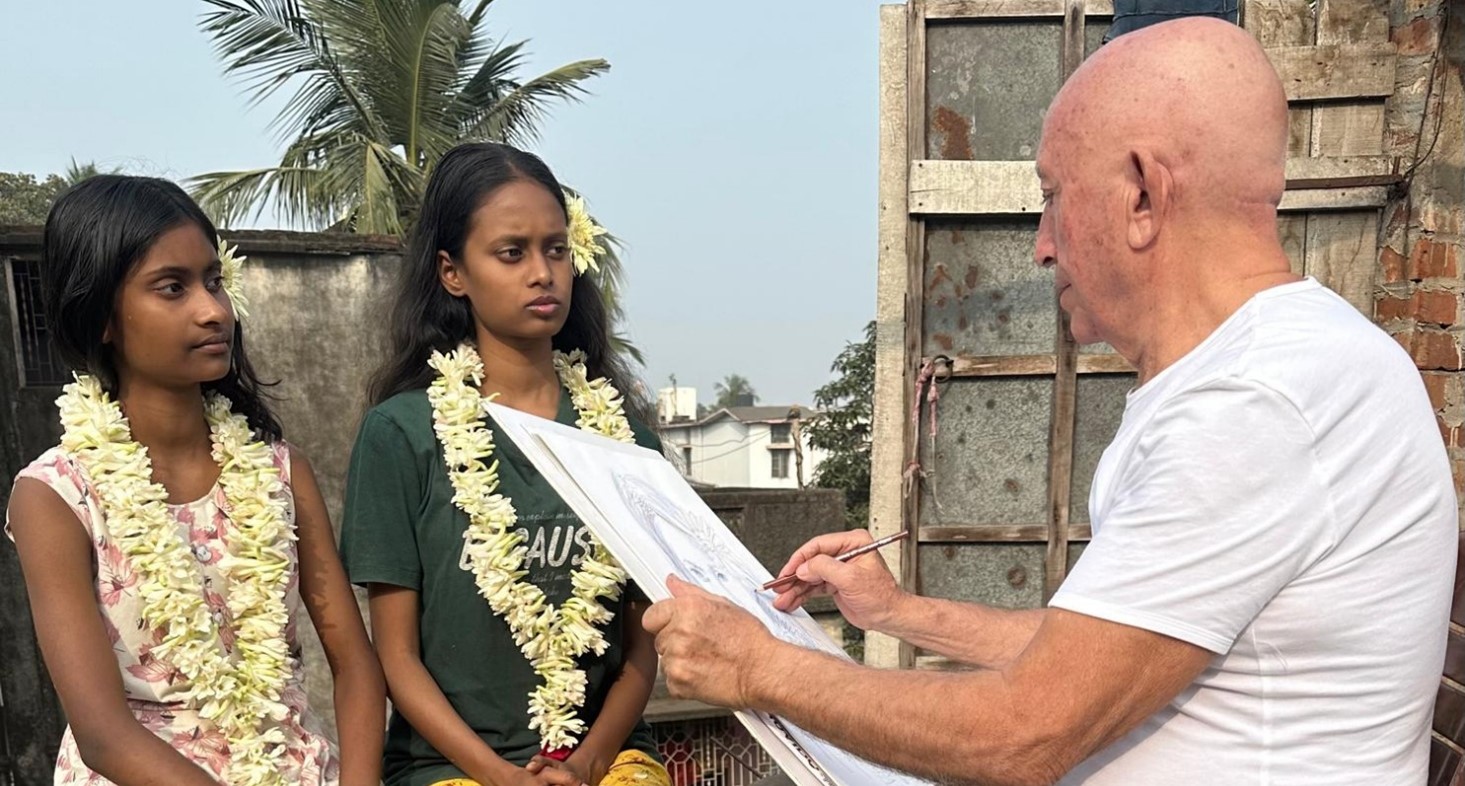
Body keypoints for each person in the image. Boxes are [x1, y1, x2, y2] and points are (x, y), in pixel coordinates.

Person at [643, 17, 1459, 785]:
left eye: (1053, 195)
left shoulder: (1255, 401)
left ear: (1142, 196)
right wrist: (898, 613)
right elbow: (1104, 653)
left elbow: (1024, 731)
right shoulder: (1276, 369)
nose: (1040, 244)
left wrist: (756, 666)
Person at [5, 175, 385, 786]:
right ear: (101, 317)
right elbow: (103, 734)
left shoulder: (280, 470)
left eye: (213, 281)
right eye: (172, 288)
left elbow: (356, 666)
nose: (214, 310)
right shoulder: (55, 495)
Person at [341, 142, 670, 786]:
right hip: (448, 768)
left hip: (609, 763)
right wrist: (499, 776)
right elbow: (396, 657)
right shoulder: (401, 435)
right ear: (452, 273)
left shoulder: (627, 443)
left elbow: (640, 651)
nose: (543, 273)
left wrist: (586, 764)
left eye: (556, 249)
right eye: (512, 253)